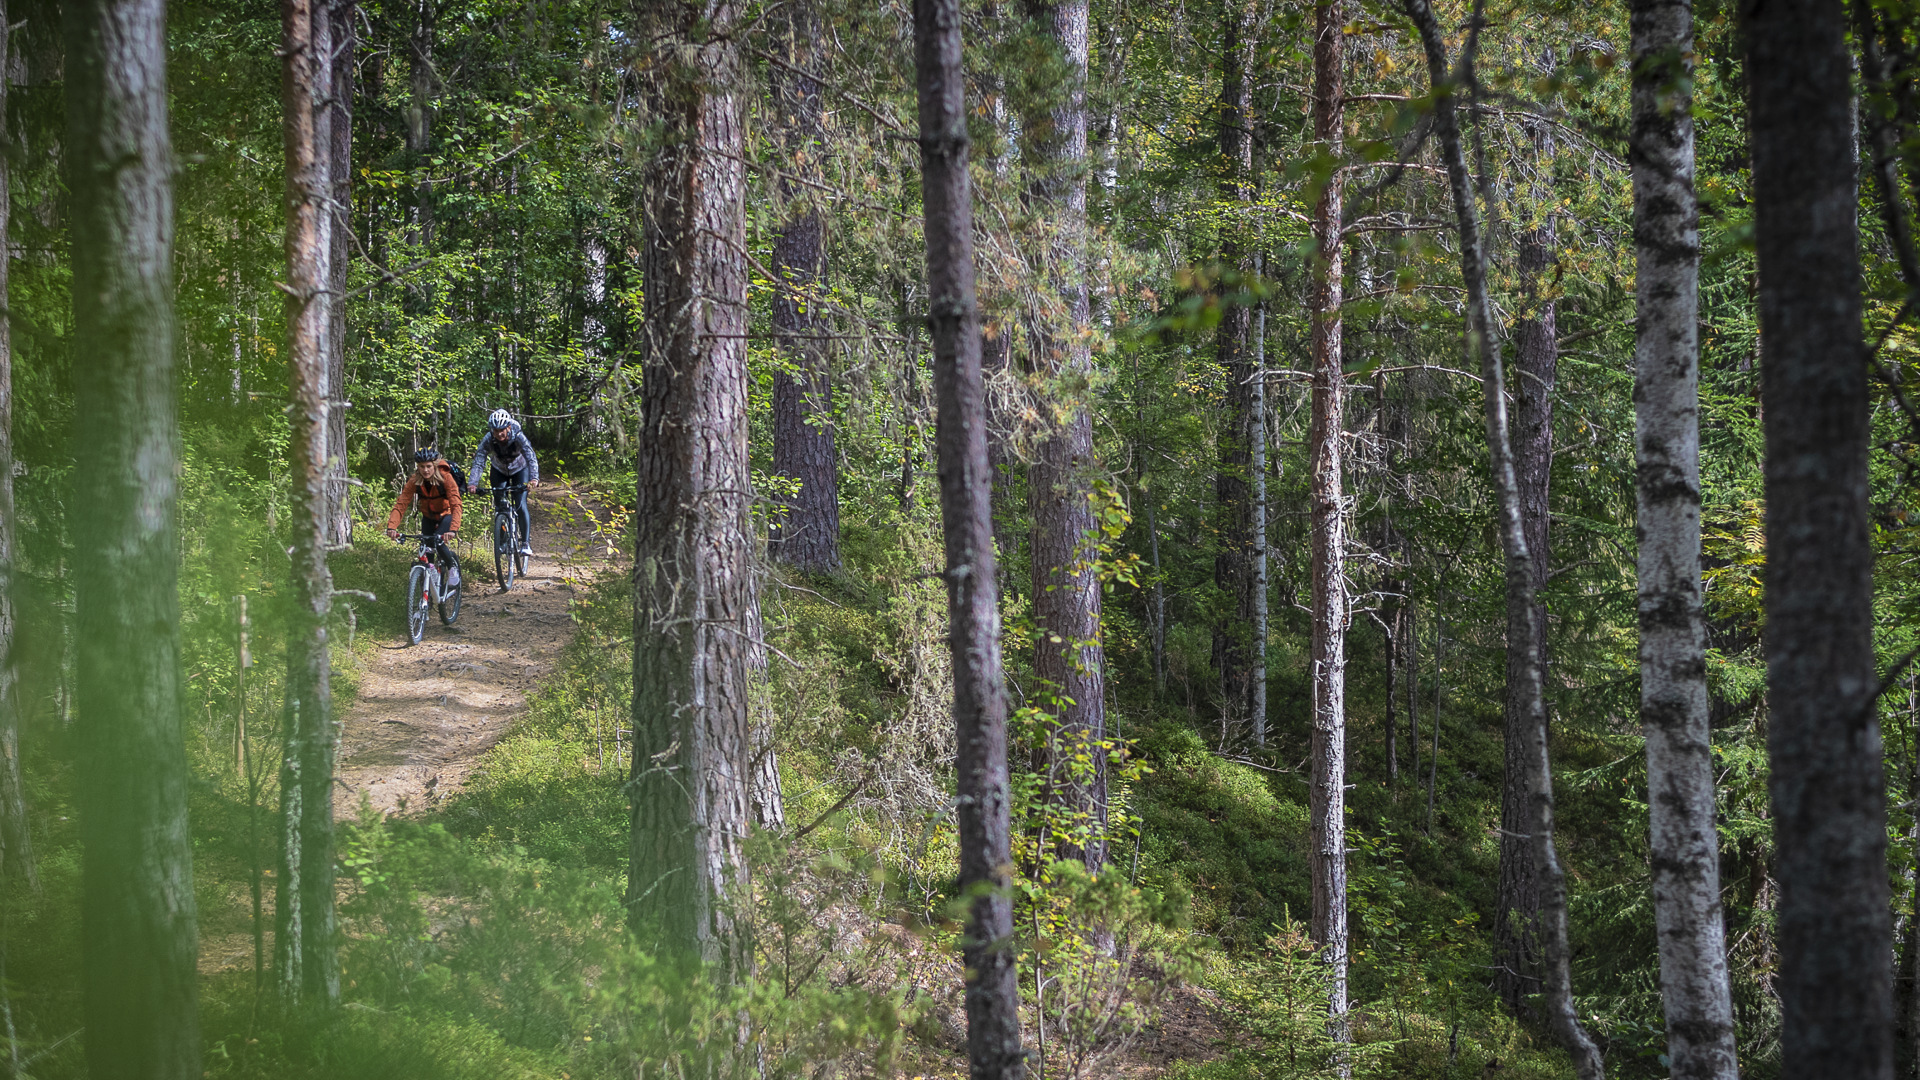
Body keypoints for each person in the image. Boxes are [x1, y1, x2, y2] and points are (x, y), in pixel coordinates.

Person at [468, 408, 539, 555]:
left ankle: (525, 543)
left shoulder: (518, 436)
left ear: (508, 427)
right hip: (499, 470)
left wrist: (534, 478)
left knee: (520, 503)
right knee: (500, 505)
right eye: (495, 430)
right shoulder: (488, 439)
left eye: (502, 430)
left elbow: (530, 456)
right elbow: (479, 460)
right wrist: (473, 482)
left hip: (520, 469)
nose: (499, 434)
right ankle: (503, 540)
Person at [386, 448, 464, 578]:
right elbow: (401, 504)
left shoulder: (446, 478)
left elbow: (456, 504)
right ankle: (430, 585)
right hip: (428, 517)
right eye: (422, 467)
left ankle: (452, 567)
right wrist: (392, 527)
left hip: (446, 514)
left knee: (438, 542)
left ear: (434, 466)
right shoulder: (414, 481)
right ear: (418, 467)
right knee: (427, 549)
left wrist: (453, 529)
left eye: (428, 466)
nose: (425, 470)